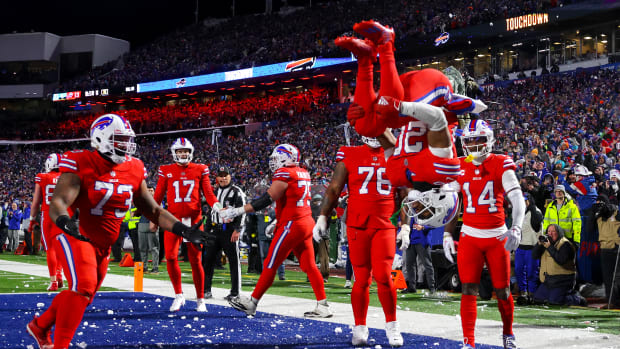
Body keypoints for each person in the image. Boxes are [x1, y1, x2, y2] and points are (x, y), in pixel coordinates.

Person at [26, 114, 207, 349]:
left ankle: (40, 326)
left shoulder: (134, 167)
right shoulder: (79, 160)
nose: (126, 145)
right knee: (83, 288)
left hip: (103, 243)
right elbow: (59, 200)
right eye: (119, 139)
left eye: (127, 139)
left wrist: (183, 230)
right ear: (100, 138)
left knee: (84, 296)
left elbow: (152, 209)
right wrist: (65, 222)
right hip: (77, 234)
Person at [222, 144, 332, 318]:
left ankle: (252, 303)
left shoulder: (285, 173)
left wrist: (237, 210)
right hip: (304, 221)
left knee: (270, 263)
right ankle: (323, 305)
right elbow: (291, 199)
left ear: (286, 157)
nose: (273, 162)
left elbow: (267, 199)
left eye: (276, 158)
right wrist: (276, 221)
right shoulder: (302, 172)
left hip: (292, 225)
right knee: (309, 265)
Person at [444, 119, 526, 349]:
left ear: (489, 140)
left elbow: (518, 198)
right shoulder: (460, 165)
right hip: (470, 235)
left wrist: (516, 227)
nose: (473, 145)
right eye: (468, 141)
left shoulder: (501, 162)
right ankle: (468, 342)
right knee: (468, 287)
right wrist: (447, 234)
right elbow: (451, 204)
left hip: (497, 236)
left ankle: (508, 333)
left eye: (478, 139)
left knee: (502, 290)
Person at [313, 136, 402, 346]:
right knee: (361, 279)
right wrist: (323, 215)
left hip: (385, 224)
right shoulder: (350, 153)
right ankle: (360, 326)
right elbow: (335, 188)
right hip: (358, 225)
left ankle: (392, 326)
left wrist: (405, 224)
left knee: (384, 276)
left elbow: (404, 193)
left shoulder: (396, 152)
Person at [153, 137, 224, 312]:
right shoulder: (165, 170)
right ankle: (179, 295)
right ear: (174, 153)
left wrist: (217, 206)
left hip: (194, 221)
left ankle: (200, 299)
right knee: (170, 256)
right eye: (179, 151)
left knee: (195, 260)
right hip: (173, 220)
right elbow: (158, 196)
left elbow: (208, 193)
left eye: (185, 151)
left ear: (190, 153)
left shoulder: (201, 169)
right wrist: (154, 218)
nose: (183, 154)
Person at [203, 165, 245, 301]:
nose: (223, 178)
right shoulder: (214, 192)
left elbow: (242, 210)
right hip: (214, 230)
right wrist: (206, 230)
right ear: (216, 178)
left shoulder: (236, 191)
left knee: (233, 262)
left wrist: (237, 229)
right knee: (208, 261)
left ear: (230, 176)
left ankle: (235, 292)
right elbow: (210, 212)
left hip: (229, 230)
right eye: (220, 176)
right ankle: (206, 290)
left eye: (225, 175)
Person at [29, 153, 66, 290]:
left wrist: (32, 219)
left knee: (50, 248)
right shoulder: (67, 177)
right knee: (61, 247)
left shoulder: (43, 177)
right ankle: (59, 274)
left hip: (48, 214)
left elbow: (36, 202)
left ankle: (54, 281)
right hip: (63, 214)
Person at [532, 224, 585, 306]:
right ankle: (556, 294)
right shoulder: (545, 243)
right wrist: (539, 244)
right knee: (538, 300)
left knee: (555, 302)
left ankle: (577, 298)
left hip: (563, 280)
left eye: (553, 231)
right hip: (548, 280)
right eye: (549, 231)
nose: (550, 234)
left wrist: (549, 247)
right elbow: (534, 256)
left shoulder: (566, 244)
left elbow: (561, 260)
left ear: (559, 233)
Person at [515, 192, 543, 305]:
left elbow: (540, 230)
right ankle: (523, 293)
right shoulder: (519, 212)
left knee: (532, 272)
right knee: (519, 271)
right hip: (520, 247)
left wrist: (539, 246)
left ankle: (532, 294)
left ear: (530, 200)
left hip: (532, 247)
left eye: (525, 200)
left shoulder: (536, 212)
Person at [595, 194, 620, 308]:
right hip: (604, 248)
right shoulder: (599, 216)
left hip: (616, 247)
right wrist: (593, 212)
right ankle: (611, 301)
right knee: (607, 277)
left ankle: (617, 300)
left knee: (617, 276)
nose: (599, 205)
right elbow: (590, 227)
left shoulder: (616, 213)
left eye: (601, 203)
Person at [138, 186, 160, 273]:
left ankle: (155, 267)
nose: (150, 192)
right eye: (148, 190)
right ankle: (144, 267)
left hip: (152, 224)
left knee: (153, 248)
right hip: (142, 223)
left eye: (151, 190)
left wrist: (155, 223)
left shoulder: (158, 200)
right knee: (142, 248)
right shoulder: (142, 200)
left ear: (154, 191)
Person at [311, 194, 330, 281]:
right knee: (311, 257)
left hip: (323, 236)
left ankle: (324, 275)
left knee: (324, 258)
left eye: (319, 200)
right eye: (316, 200)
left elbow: (332, 220)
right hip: (312, 236)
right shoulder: (310, 210)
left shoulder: (326, 209)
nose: (317, 202)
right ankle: (310, 275)